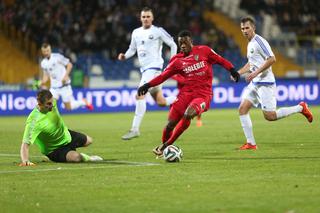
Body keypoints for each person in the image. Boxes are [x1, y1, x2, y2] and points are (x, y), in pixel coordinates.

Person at [137, 30, 240, 156]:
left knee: (188, 114)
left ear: (191, 41)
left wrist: (232, 70)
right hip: (185, 94)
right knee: (170, 125)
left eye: (185, 42)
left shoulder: (204, 51)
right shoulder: (176, 60)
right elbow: (163, 76)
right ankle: (165, 151)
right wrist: (147, 85)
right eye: (180, 43)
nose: (183, 45)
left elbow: (221, 60)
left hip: (203, 95)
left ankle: (165, 146)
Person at [232, 16, 313, 150]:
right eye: (242, 28)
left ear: (253, 28)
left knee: (270, 116)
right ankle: (251, 144)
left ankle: (300, 107)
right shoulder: (250, 43)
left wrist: (255, 73)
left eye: (247, 28)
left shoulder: (259, 41)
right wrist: (238, 73)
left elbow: (272, 59)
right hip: (256, 83)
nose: (244, 31)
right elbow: (251, 63)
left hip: (265, 83)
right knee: (242, 109)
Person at [118, 7, 178, 140]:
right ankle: (180, 99)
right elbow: (132, 49)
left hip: (155, 69)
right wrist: (124, 56)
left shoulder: (158, 31)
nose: (145, 19)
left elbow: (173, 44)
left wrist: (173, 63)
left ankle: (135, 129)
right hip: (145, 70)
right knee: (161, 102)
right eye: (143, 17)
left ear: (152, 18)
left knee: (140, 94)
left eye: (148, 16)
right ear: (140, 18)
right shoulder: (136, 32)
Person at [19, 90, 102, 166]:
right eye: (48, 104)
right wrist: (25, 160)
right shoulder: (33, 121)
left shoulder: (53, 102)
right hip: (54, 149)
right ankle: (87, 157)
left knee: (89, 141)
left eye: (52, 102)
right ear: (40, 104)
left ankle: (68, 152)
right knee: (76, 158)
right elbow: (25, 144)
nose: (52, 105)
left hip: (66, 135)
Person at [40, 43, 93, 111]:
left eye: (47, 50)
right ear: (42, 52)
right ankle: (51, 121)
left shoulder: (57, 57)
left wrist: (65, 76)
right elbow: (46, 76)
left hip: (64, 86)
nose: (46, 52)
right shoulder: (43, 63)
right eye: (44, 51)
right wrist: (42, 82)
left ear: (50, 50)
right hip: (54, 87)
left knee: (69, 107)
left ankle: (83, 102)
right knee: (48, 105)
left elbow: (69, 65)